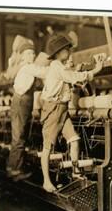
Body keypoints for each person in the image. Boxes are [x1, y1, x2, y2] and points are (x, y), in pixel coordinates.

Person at [39, 34, 105, 193]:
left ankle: (75, 171)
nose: (69, 51)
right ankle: (46, 181)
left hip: (62, 109)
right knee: (48, 147)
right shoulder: (56, 66)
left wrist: (82, 68)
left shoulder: (60, 66)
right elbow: (73, 77)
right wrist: (96, 70)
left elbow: (72, 74)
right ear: (59, 52)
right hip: (53, 109)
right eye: (67, 49)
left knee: (74, 139)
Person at [6, 36, 49, 181]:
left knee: (19, 136)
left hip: (22, 103)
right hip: (21, 103)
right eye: (30, 53)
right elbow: (44, 72)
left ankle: (13, 167)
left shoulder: (24, 67)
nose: (33, 55)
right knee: (19, 137)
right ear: (24, 56)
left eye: (33, 53)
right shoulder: (28, 67)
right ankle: (15, 170)